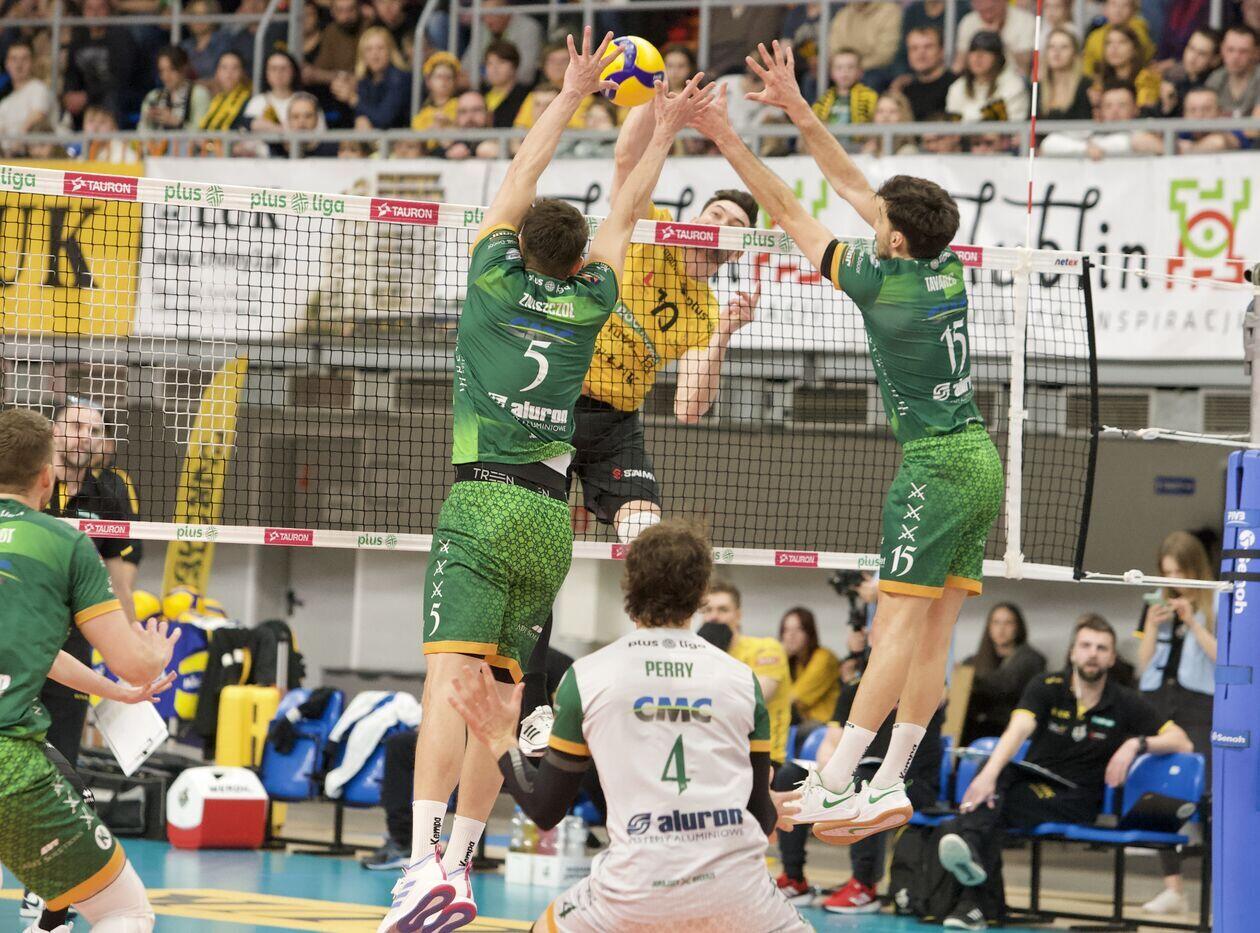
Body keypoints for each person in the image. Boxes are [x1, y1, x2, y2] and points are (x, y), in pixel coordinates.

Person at [378, 31, 710, 933]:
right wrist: (666, 128)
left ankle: (420, 866)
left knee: (448, 684)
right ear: (575, 261)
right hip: (547, 517)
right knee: (502, 697)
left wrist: (569, 93)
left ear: (520, 245)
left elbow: (523, 170)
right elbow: (628, 209)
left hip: (482, 502)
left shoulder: (491, 279)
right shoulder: (594, 297)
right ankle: (461, 862)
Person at [689, 40, 1004, 847]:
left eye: (882, 225)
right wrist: (800, 110)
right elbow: (857, 186)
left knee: (895, 629)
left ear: (893, 242)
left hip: (935, 467)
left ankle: (836, 779)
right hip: (980, 459)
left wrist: (727, 138)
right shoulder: (943, 266)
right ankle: (890, 780)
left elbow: (790, 209)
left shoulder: (881, 287)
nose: (873, 218)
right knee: (933, 636)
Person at [448, 519, 811, 932]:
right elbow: (759, 817)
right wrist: (761, 807)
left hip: (632, 893)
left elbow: (545, 809)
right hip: (739, 896)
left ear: (629, 588)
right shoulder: (742, 680)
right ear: (700, 596)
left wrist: (499, 739)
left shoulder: (587, 677)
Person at [0, 407, 180, 933]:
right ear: (46, 477)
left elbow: (37, 650)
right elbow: (133, 662)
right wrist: (152, 658)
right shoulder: (64, 542)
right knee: (125, 911)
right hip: (8, 765)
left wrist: (113, 693)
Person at [569, 101, 760, 545]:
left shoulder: (707, 316)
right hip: (558, 396)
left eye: (734, 227)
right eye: (716, 216)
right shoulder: (652, 230)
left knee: (646, 533)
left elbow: (689, 408)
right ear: (697, 220)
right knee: (533, 524)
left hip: (615, 425)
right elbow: (626, 159)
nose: (720, 227)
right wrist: (654, 106)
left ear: (737, 251)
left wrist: (724, 335)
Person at [937, 615, 1193, 930]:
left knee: (983, 810)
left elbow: (1182, 741)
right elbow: (1018, 729)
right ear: (1072, 652)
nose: (1092, 654)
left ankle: (972, 877)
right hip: (1033, 782)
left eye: (1101, 648)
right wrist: (988, 774)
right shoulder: (1046, 686)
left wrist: (1135, 744)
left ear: (1112, 658)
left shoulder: (1125, 701)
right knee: (995, 779)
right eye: (1085, 646)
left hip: (1076, 798)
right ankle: (974, 898)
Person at [361, 646, 576, 871]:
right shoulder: (469, 647)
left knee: (493, 739)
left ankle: (458, 860)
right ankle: (407, 844)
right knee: (400, 744)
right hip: (476, 727)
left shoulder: (559, 665)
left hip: (528, 745)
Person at [778, 675, 945, 913]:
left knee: (865, 775)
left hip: (912, 780)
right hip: (859, 772)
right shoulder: (853, 689)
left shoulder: (924, 682)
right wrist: (829, 773)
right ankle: (794, 878)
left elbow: (942, 693)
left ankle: (864, 886)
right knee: (788, 774)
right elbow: (830, 741)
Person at [1134, 531, 1217, 915]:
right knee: (1160, 793)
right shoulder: (1155, 602)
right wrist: (1152, 626)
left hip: (1198, 706)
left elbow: (1225, 659)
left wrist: (1193, 623)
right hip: (1159, 702)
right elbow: (1142, 664)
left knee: (1207, 796)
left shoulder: (1219, 601)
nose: (1173, 581)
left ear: (1195, 569)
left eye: (1179, 572)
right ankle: (1173, 888)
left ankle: (1218, 890)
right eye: (1166, 573)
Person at [701, 581, 792, 765]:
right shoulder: (700, 654)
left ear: (738, 615)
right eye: (707, 610)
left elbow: (751, 699)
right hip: (713, 754)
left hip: (762, 757)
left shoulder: (766, 649)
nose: (714, 617)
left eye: (723, 610)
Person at [960, 602, 1046, 745]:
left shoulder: (1031, 660)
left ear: (1018, 627)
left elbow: (1006, 685)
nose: (1001, 629)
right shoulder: (973, 662)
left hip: (1009, 732)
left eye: (1008, 623)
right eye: (996, 622)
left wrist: (972, 681)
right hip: (972, 733)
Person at [62, 0, 141, 130]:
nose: (95, 13)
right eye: (90, 9)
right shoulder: (78, 39)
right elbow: (71, 73)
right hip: (87, 95)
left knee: (110, 99)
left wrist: (87, 96)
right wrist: (69, 93)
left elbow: (120, 79)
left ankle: (109, 138)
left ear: (109, 10)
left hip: (116, 95)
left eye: (100, 8)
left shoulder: (121, 37)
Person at [1040, 80, 1163, 158]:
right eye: (1108, 106)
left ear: (1135, 109)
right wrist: (1085, 149)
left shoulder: (1146, 128)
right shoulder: (1088, 133)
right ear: (1099, 112)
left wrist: (1098, 147)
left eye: (1122, 105)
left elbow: (1153, 145)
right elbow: (1048, 144)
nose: (1115, 111)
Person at [946, 31, 1031, 122]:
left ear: (998, 58)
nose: (978, 57)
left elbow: (1013, 126)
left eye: (986, 51)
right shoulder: (957, 87)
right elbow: (953, 125)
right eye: (973, 51)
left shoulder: (1013, 86)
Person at [138, 45, 211, 151]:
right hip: (157, 153)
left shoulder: (198, 94)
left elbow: (202, 135)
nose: (166, 76)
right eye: (162, 71)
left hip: (189, 154)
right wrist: (148, 121)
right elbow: (141, 133)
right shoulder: (153, 96)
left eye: (171, 70)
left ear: (183, 68)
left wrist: (176, 122)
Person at [338, 26, 411, 130]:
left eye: (380, 48)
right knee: (361, 121)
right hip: (377, 134)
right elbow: (360, 114)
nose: (375, 55)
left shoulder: (400, 78)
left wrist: (353, 99)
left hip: (404, 135)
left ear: (390, 51)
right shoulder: (365, 80)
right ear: (362, 55)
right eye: (369, 49)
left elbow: (384, 118)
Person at [781, 607, 841, 729]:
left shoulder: (824, 658)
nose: (791, 636)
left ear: (809, 632)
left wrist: (779, 656)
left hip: (824, 726)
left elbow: (795, 699)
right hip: (802, 723)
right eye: (786, 630)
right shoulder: (795, 662)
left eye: (798, 629)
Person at [460, 0, 544, 86]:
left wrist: (481, 78)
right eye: (484, 16)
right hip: (489, 86)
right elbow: (465, 67)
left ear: (506, 12)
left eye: (492, 15)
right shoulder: (484, 28)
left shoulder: (528, 28)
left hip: (519, 88)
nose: (488, 21)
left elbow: (526, 73)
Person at [826, 1, 903, 90]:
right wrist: (846, 67)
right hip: (845, 65)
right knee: (818, 76)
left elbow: (885, 54)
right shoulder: (843, 14)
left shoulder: (890, 12)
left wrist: (855, 67)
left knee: (871, 79)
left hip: (875, 69)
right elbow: (834, 48)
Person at [303, 0, 364, 111]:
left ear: (359, 9)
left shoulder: (368, 27)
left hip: (365, 92)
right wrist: (340, 76)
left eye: (350, 10)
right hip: (335, 93)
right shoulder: (330, 31)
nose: (346, 16)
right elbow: (317, 72)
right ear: (332, 12)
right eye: (340, 10)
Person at [0, 39, 57, 153]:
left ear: (33, 62)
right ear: (7, 64)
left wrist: (16, 144)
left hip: (33, 156)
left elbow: (38, 116)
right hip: (8, 157)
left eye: (24, 59)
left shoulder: (38, 88)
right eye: (14, 59)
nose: (19, 65)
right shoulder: (5, 103)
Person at [953, 0, 1037, 73]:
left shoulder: (1025, 21)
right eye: (982, 11)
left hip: (1013, 77)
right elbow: (959, 64)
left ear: (1003, 2)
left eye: (991, 10)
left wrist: (996, 39)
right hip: (976, 80)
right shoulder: (968, 21)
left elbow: (1025, 65)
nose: (988, 16)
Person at [893, 26, 955, 122]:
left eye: (928, 47)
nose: (921, 53)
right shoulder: (904, 90)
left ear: (941, 51)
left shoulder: (956, 85)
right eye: (914, 48)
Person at [1095, 23, 1161, 110]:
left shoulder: (1148, 78)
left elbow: (1146, 111)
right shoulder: (1099, 81)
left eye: (1122, 42)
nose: (1114, 48)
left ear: (1134, 49)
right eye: (1109, 43)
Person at [1082, 0, 1155, 77]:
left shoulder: (1139, 32)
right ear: (1105, 8)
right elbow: (1087, 69)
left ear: (1133, 10)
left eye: (1125, 5)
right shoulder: (1095, 36)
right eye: (1114, 4)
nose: (1118, 10)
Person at [1158, 27, 1221, 117]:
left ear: (1215, 60)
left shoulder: (1217, 84)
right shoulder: (1173, 81)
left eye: (1202, 54)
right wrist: (1167, 107)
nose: (1193, 57)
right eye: (1191, 48)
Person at [812, 48, 879, 126]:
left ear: (860, 72)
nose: (845, 72)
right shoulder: (824, 98)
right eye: (839, 68)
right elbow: (814, 119)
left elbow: (875, 121)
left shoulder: (869, 96)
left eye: (850, 67)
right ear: (831, 73)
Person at [1205, 24, 1260, 117]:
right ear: (1222, 49)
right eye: (1230, 50)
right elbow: (1205, 119)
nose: (1235, 57)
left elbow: (1256, 124)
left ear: (1256, 53)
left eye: (1243, 51)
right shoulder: (1215, 79)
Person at [1037, 28, 1092, 119]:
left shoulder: (1086, 86)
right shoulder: (1037, 88)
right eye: (1051, 47)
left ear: (1074, 53)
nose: (1056, 52)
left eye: (1064, 47)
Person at [245, 50, 304, 134]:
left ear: (294, 72)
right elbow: (245, 136)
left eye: (284, 68)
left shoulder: (306, 100)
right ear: (266, 73)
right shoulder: (257, 102)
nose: (278, 73)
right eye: (273, 68)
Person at [1175, 85, 1245, 152]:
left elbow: (1219, 143)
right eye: (1192, 110)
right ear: (1184, 114)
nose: (1199, 115)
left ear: (1219, 112)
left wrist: (1188, 148)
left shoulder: (1231, 130)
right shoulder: (1181, 133)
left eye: (1207, 109)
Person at [410, 51, 460, 143]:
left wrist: (450, 124)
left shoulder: (461, 106)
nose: (444, 81)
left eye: (449, 77)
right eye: (439, 77)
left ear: (455, 81)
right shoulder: (421, 116)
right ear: (428, 81)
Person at [436, 90, 501, 159]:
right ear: (457, 118)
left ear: (489, 115)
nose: (469, 117)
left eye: (476, 110)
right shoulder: (449, 145)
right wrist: (448, 154)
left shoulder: (503, 142)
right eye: (463, 111)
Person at [480, 40, 531, 128]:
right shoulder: (479, 94)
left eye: (501, 62)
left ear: (514, 66)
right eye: (489, 63)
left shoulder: (526, 95)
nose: (494, 69)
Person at [179, 0, 234, 81]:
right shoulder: (184, 46)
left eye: (204, 14)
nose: (198, 19)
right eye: (194, 14)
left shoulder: (224, 42)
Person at [861, 90, 920, 155]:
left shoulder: (908, 151)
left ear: (903, 116)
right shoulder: (868, 149)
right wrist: (866, 154)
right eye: (880, 111)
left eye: (892, 111)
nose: (885, 116)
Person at [285, 91, 338, 157]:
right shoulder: (278, 150)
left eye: (308, 116)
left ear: (317, 119)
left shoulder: (333, 150)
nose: (301, 121)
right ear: (288, 120)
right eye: (296, 117)